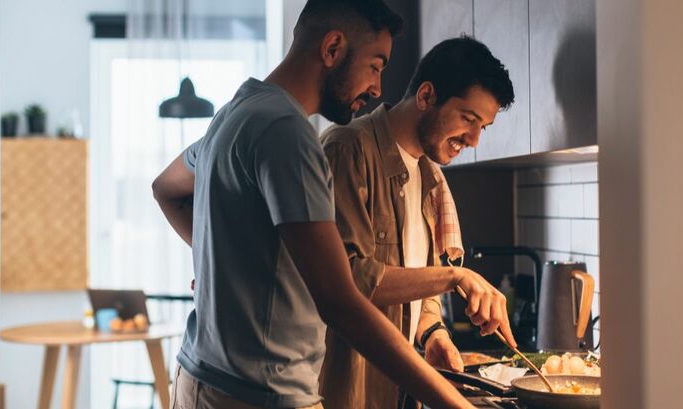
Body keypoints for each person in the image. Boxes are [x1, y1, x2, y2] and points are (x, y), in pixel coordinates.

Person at [151, 1, 477, 408]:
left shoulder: (234, 115)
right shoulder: (287, 133)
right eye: (375, 66)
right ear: (332, 48)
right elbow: (341, 303)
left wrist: (224, 263)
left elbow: (167, 188)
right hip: (261, 395)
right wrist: (455, 404)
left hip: (199, 380)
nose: (377, 88)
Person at [318, 36, 517, 409]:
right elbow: (347, 280)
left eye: (484, 127)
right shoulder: (347, 150)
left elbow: (414, 281)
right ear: (426, 96)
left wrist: (433, 332)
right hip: (346, 395)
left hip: (397, 394)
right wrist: (454, 277)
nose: (474, 140)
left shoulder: (430, 178)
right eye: (468, 119)